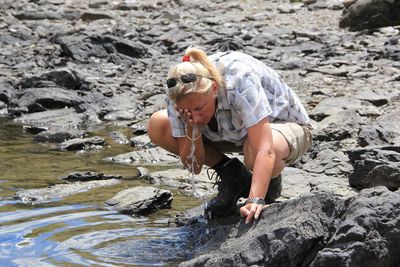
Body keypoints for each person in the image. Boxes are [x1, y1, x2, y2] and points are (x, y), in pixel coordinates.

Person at [147, 47, 312, 224]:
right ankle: (232, 175)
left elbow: (266, 149)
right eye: (187, 111)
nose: (194, 116)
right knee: (159, 124)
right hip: (232, 133)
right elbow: (193, 166)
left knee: (254, 152)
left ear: (214, 89)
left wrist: (254, 200)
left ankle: (269, 185)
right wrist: (191, 129)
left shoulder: (239, 78)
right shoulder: (177, 91)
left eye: (199, 108)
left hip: (282, 128)